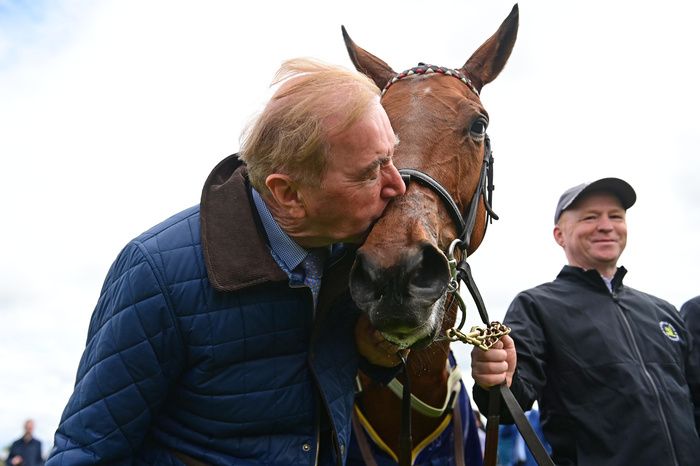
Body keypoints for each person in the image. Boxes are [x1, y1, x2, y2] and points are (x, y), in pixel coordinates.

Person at [46, 58, 408, 465]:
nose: (398, 185)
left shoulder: (351, 250)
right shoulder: (156, 273)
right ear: (288, 193)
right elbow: (87, 450)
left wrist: (384, 355)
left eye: (391, 157)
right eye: (369, 172)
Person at [470, 177, 700, 465]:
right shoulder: (537, 306)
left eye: (615, 216)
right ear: (559, 235)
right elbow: (507, 406)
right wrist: (494, 378)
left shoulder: (663, 312)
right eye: (590, 217)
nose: (606, 225)